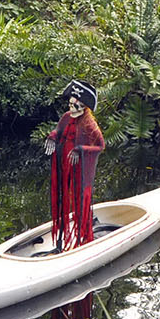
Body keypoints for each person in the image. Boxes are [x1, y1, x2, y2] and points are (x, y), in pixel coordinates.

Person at [44, 79, 105, 252]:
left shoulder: (90, 124)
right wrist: (52, 136)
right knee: (62, 197)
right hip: (65, 164)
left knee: (80, 200)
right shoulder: (66, 117)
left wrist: (81, 149)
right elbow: (59, 131)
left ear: (84, 108)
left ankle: (83, 237)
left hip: (81, 168)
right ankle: (60, 241)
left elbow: (100, 146)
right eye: (70, 104)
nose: (71, 109)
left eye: (75, 106)